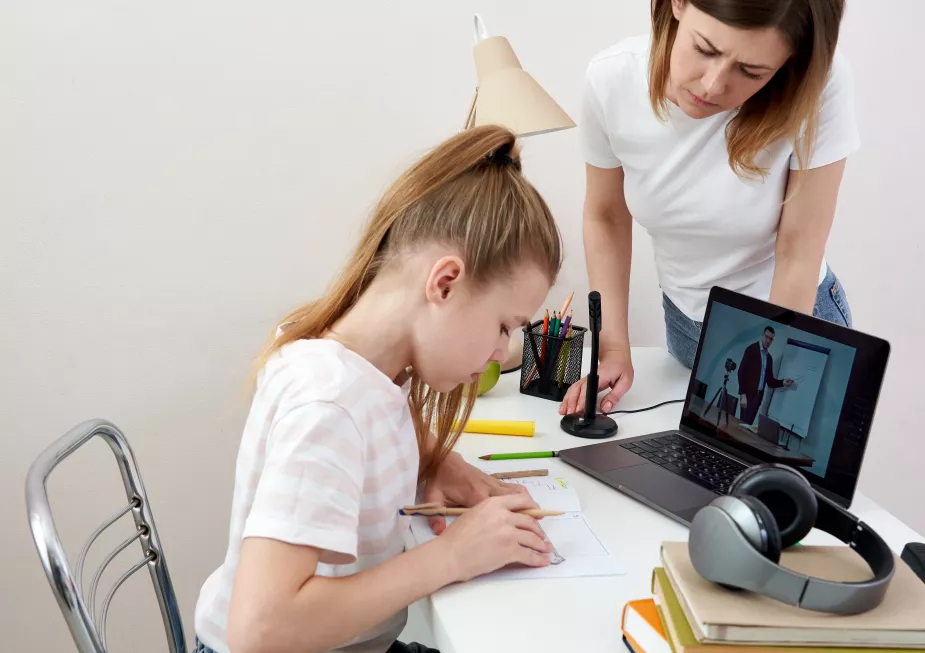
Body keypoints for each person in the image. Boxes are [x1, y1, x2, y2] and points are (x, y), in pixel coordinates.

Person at [192, 125, 564, 653]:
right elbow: (261, 631)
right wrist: (451, 557)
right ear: (445, 283)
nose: (502, 353)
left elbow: (374, 425)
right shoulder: (328, 404)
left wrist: (436, 462)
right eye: (505, 326)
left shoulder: (352, 356)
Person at [560, 0, 856, 418]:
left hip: (790, 323)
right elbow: (606, 216)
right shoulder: (611, 79)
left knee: (778, 478)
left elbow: (799, 249)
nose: (714, 85)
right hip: (684, 325)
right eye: (705, 48)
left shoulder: (818, 86)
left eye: (751, 72)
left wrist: (775, 365)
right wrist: (612, 347)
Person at [737, 325, 794, 424]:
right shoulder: (751, 349)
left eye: (771, 339)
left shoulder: (769, 358)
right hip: (748, 396)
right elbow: (741, 372)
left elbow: (770, 381)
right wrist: (743, 394)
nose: (768, 341)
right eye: (767, 337)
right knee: (742, 425)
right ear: (762, 335)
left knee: (748, 426)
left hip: (758, 398)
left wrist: (782, 382)